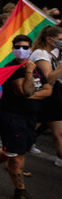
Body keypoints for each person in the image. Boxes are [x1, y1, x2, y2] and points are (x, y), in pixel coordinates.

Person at [0, 35, 52, 199]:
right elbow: (27, 89)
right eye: (18, 46)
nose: (22, 50)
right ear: (12, 48)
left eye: (25, 47)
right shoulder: (13, 68)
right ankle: (21, 191)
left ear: (31, 48)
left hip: (29, 117)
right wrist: (29, 74)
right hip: (12, 117)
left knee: (15, 148)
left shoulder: (34, 67)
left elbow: (47, 90)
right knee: (17, 156)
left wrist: (30, 94)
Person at [28, 25, 62, 167]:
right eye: (60, 39)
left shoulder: (51, 53)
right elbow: (48, 79)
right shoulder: (40, 54)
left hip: (51, 99)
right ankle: (10, 159)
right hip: (42, 100)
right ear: (49, 39)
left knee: (58, 133)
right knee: (27, 132)